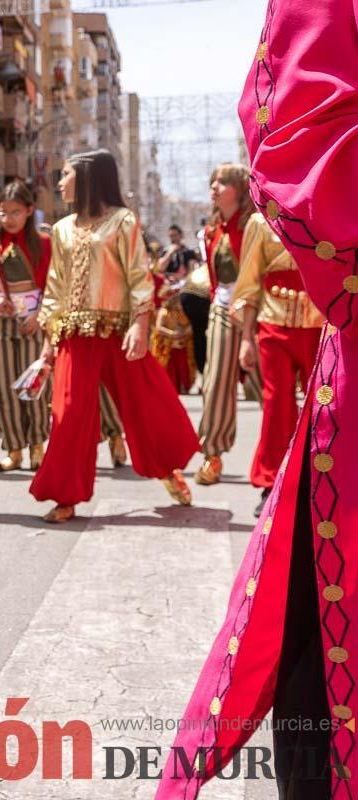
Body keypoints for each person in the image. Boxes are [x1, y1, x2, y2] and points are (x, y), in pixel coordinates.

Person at [157, 1, 358, 796]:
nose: (217, 190)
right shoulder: (235, 232)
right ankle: (234, 462)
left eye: (220, 184)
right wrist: (237, 326)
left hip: (313, 317)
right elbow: (303, 150)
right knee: (269, 406)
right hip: (283, 317)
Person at [29, 150, 199, 523]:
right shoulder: (61, 229)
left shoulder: (123, 221)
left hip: (119, 331)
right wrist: (48, 343)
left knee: (146, 405)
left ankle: (168, 469)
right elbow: (54, 287)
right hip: (74, 333)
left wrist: (140, 323)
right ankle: (66, 495)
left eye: (66, 174)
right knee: (69, 413)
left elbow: (139, 276)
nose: (60, 182)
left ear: (88, 177)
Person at [234, 212, 324, 515]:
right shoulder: (261, 222)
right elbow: (249, 283)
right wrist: (246, 338)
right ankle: (271, 482)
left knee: (322, 404)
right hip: (273, 325)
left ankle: (318, 481)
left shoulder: (324, 213)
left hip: (319, 324)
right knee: (277, 404)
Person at [0, 181, 51, 472]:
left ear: (29, 211)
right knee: (3, 387)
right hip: (0, 322)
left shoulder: (43, 244)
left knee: (34, 384)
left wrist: (40, 316)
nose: (9, 219)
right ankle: (14, 448)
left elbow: (52, 286)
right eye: (3, 212)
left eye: (16, 212)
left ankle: (37, 445)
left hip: (34, 322)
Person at [192, 164, 258, 487]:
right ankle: (213, 454)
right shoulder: (210, 230)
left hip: (256, 311)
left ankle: (293, 451)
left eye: (223, 182)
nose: (214, 188)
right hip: (221, 308)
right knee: (215, 380)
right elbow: (215, 278)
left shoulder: (255, 225)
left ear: (240, 189)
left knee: (269, 387)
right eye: (212, 182)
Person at [150, 274, 197, 394]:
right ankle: (171, 386)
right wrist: (172, 333)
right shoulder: (164, 312)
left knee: (184, 366)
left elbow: (190, 326)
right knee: (169, 367)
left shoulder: (183, 312)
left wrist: (183, 332)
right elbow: (159, 328)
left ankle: (184, 385)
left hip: (182, 344)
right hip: (168, 346)